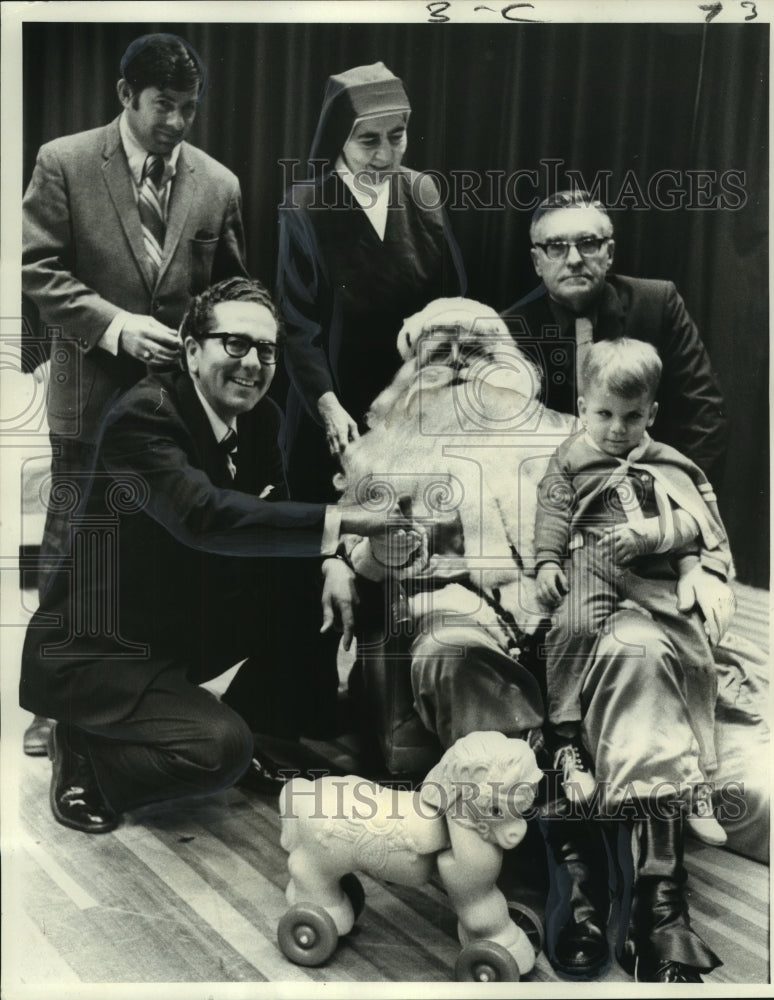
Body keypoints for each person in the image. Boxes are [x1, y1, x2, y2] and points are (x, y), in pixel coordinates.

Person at [321, 298, 763, 984]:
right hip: (462, 609)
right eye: (440, 353)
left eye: (478, 350)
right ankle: (565, 868)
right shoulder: (383, 453)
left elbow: (671, 504)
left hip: (580, 603)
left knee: (637, 649)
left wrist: (699, 569)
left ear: (512, 365)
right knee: (450, 652)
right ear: (411, 368)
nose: (460, 367)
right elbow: (359, 551)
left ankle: (658, 896)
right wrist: (362, 557)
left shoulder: (569, 436)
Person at [18, 278, 428, 836]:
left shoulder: (264, 418)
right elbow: (203, 517)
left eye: (266, 349)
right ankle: (89, 751)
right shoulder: (143, 415)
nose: (253, 363)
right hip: (105, 650)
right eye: (234, 344)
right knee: (217, 752)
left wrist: (333, 561)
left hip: (186, 620)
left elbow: (275, 512)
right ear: (191, 350)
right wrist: (350, 522)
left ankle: (251, 725)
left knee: (327, 588)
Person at [21, 32, 248, 754]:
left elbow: (232, 292)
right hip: (89, 394)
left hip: (176, 410)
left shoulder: (219, 183)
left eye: (187, 108)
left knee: (154, 551)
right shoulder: (64, 160)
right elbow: (41, 273)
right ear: (126, 96)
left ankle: (141, 687)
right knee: (71, 548)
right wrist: (118, 328)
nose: (176, 122)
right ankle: (50, 703)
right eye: (162, 106)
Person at [275, 61, 466, 735]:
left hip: (409, 411)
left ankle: (391, 714)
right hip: (329, 412)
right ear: (338, 142)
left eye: (397, 137)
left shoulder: (424, 194)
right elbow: (295, 325)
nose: (385, 155)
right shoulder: (303, 205)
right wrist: (325, 401)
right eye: (369, 141)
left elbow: (453, 302)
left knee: (400, 556)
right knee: (326, 562)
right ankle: (299, 714)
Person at [534, 338, 733, 847]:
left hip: (652, 570)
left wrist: (657, 535)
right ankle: (565, 739)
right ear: (582, 409)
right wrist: (547, 562)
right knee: (570, 627)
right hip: (591, 563)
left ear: (652, 413)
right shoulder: (570, 459)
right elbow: (553, 513)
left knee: (692, 643)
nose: (617, 429)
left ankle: (698, 774)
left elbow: (700, 520)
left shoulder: (668, 460)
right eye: (603, 414)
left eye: (632, 416)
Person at [503, 190, 727, 485]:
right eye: (556, 247)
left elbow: (705, 415)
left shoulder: (658, 304)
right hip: (551, 502)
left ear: (608, 253)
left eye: (588, 244)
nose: (573, 260)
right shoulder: (509, 330)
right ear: (536, 261)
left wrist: (674, 499)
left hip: (653, 493)